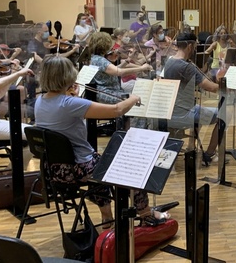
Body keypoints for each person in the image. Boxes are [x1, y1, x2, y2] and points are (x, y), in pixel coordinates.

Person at [34, 54, 169, 228]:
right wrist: (134, 98)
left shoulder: (40, 101)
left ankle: (107, 219)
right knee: (131, 167)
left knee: (99, 164)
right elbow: (116, 110)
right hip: (79, 168)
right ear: (67, 76)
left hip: (54, 170)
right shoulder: (70, 103)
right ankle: (146, 214)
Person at [163, 32, 226, 166]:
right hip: (183, 113)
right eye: (196, 46)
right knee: (225, 115)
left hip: (169, 111)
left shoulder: (169, 61)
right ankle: (209, 154)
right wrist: (228, 87)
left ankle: (191, 147)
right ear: (190, 46)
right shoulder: (186, 66)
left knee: (201, 110)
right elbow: (211, 88)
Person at [88, 32, 150, 105]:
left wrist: (127, 60)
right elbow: (119, 72)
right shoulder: (100, 60)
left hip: (111, 91)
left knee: (132, 96)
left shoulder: (95, 58)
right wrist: (141, 68)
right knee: (134, 98)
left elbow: (114, 69)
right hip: (109, 93)